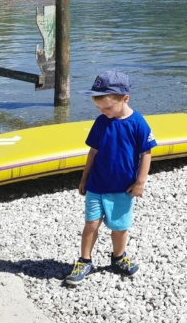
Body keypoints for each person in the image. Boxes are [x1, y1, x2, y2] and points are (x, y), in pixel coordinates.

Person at [65, 70, 156, 286]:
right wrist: (84, 178)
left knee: (119, 227)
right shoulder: (101, 122)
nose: (103, 112)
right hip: (97, 185)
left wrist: (140, 183)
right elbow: (93, 152)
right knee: (91, 224)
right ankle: (84, 260)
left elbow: (147, 153)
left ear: (125, 99)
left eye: (107, 107)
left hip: (122, 188)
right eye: (99, 108)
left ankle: (118, 257)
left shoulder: (138, 123)